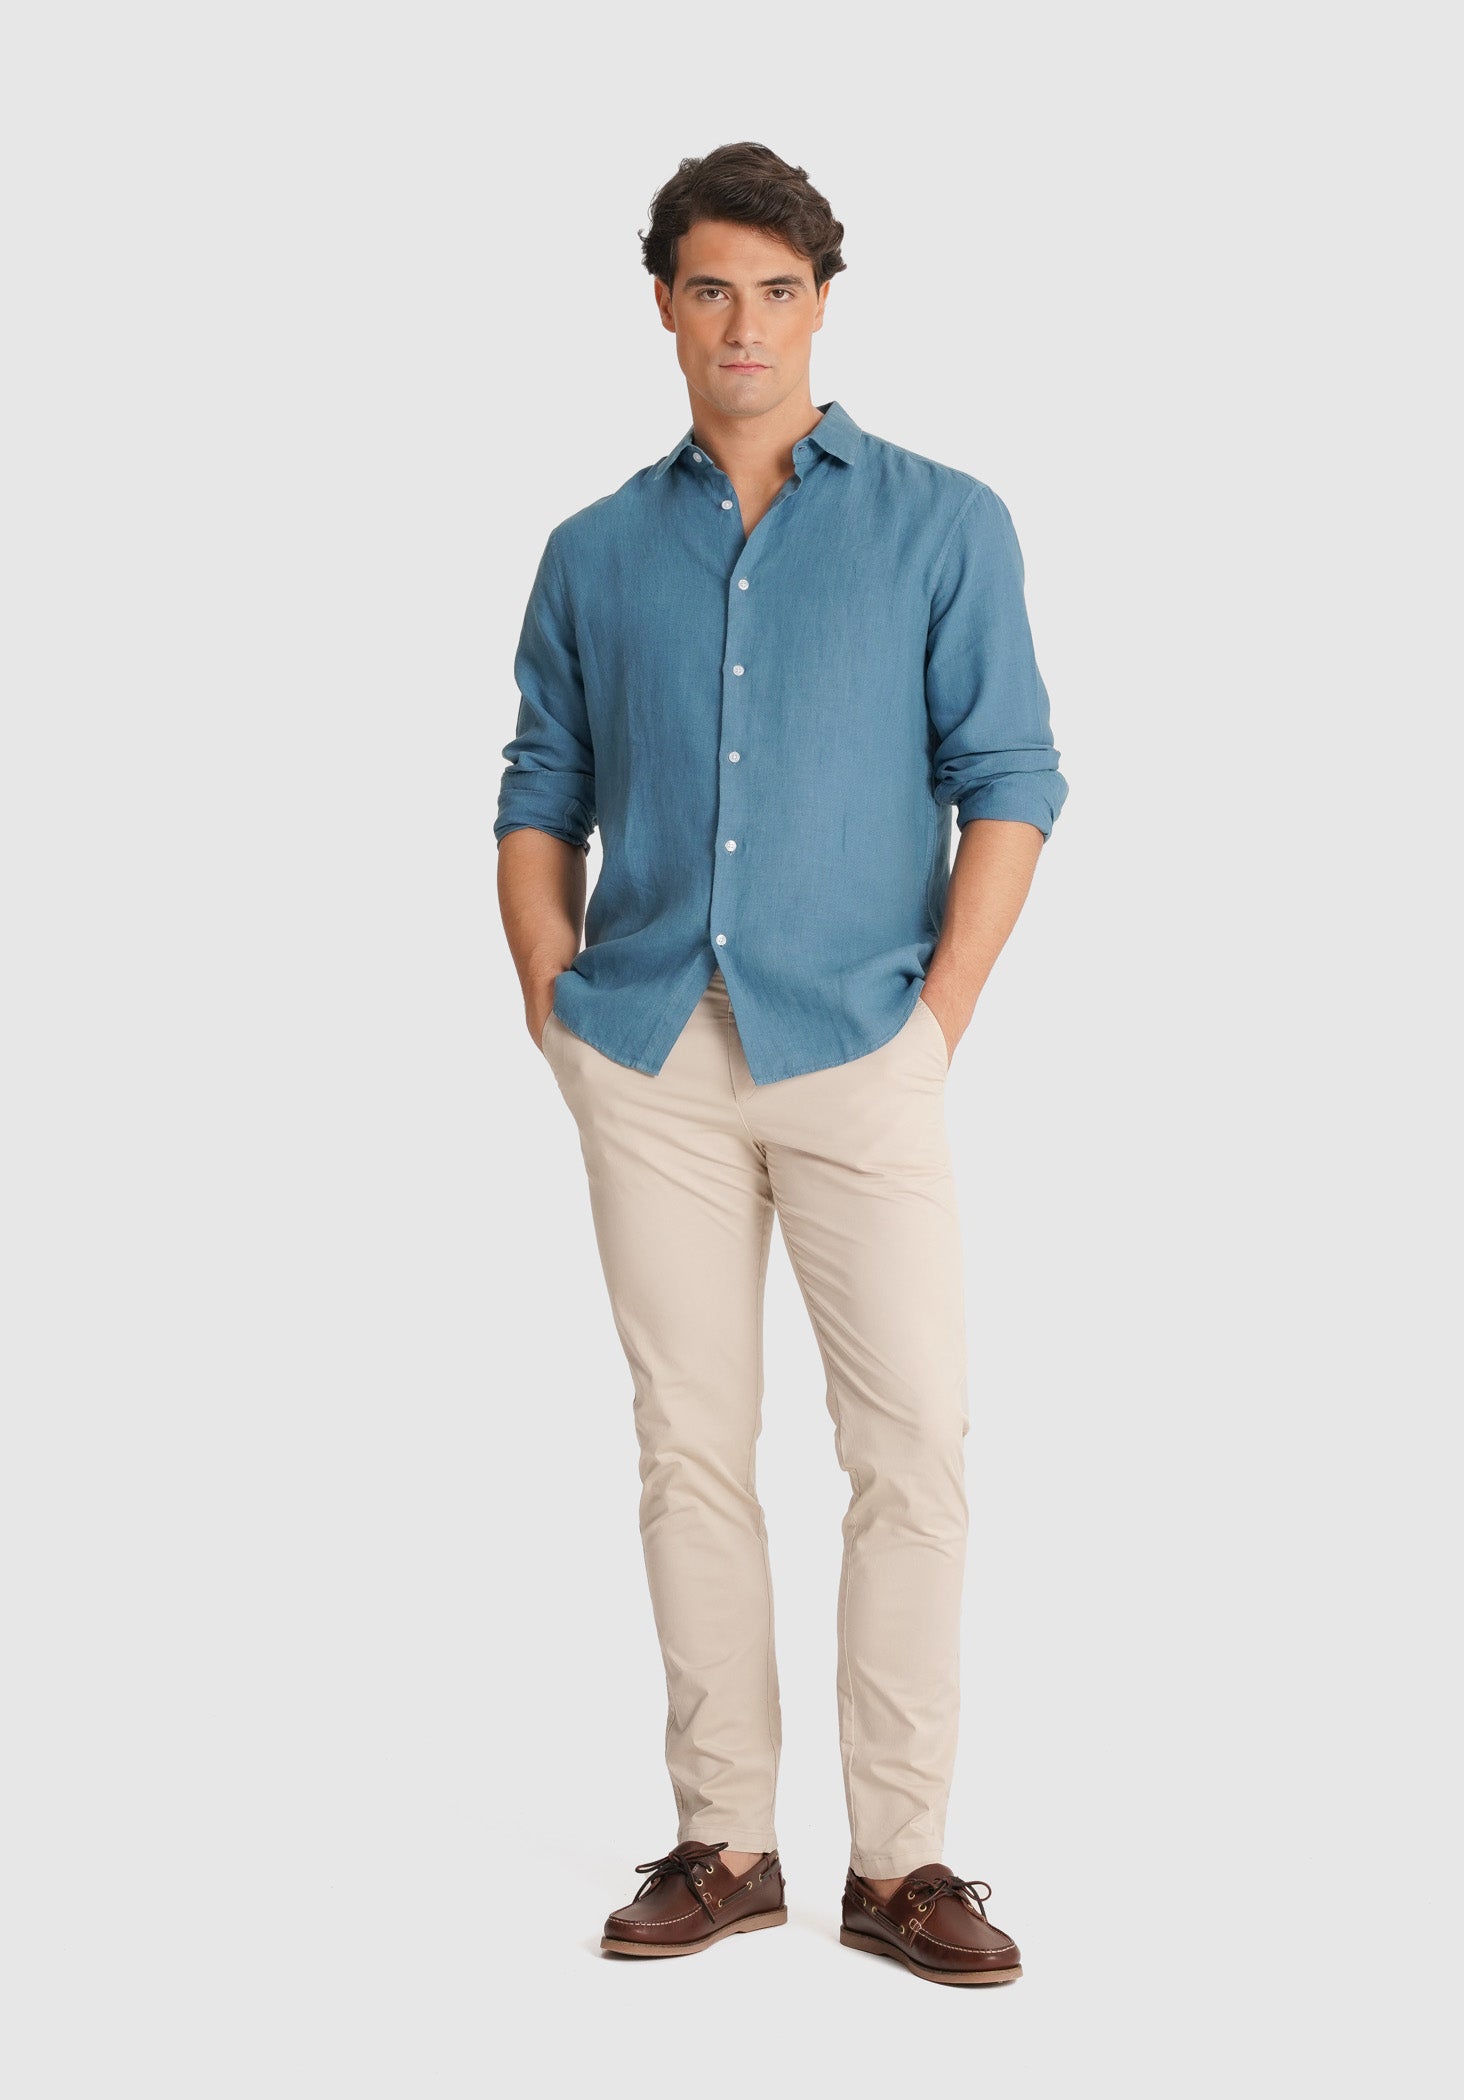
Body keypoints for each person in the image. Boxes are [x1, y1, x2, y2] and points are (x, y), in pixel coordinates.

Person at [494, 142, 1067, 1987]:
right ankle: (725, 1842)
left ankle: (902, 1863)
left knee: (913, 1446)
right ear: (663, 304)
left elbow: (1013, 778)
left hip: (858, 1043)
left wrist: (940, 1016)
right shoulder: (593, 552)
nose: (744, 323)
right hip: (649, 1049)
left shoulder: (943, 523)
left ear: (823, 303)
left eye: (778, 289)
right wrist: (554, 1001)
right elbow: (540, 793)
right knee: (690, 1449)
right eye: (711, 287)